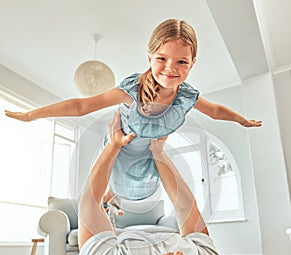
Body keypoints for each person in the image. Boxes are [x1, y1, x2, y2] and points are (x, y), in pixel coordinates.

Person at [0, 111, 225, 255]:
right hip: (125, 246)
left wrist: (113, 145)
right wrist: (158, 153)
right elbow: (186, 207)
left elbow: (88, 202)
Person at [4, 18, 262, 201]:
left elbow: (215, 111)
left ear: (192, 63)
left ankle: (120, 199)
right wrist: (31, 115)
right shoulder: (132, 91)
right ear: (149, 57)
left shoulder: (186, 96)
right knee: (112, 179)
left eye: (181, 61)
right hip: (121, 146)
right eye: (162, 58)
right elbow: (81, 106)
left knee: (142, 182)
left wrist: (241, 120)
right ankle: (106, 200)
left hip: (148, 152)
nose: (171, 68)